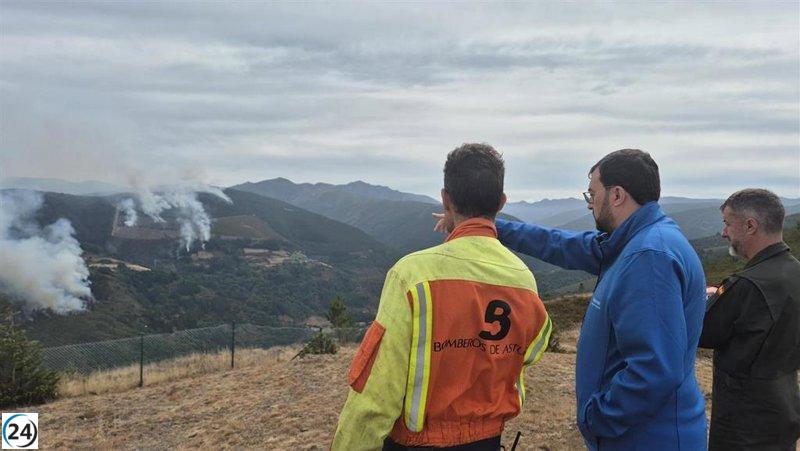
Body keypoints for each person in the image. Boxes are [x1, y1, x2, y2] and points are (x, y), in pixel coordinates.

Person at [467, 149, 708, 449]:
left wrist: (598, 417)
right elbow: (560, 244)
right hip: (643, 433)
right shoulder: (632, 242)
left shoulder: (649, 257)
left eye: (593, 194)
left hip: (646, 438)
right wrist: (490, 227)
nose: (590, 203)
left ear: (617, 195)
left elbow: (655, 369)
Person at [331, 143, 551, 451]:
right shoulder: (524, 280)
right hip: (488, 441)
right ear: (501, 203)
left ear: (445, 198)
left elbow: (375, 398)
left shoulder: (412, 275)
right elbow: (529, 351)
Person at [699, 188, 800, 450]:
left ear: (750, 226)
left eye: (727, 224)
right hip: (785, 412)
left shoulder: (744, 286)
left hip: (743, 426)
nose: (724, 233)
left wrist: (706, 301)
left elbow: (703, 333)